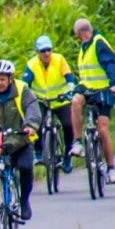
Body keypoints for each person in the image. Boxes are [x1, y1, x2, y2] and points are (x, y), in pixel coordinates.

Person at [0, 60, 42, 219]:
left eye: (2, 79)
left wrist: (30, 125)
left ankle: (24, 200)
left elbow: (32, 109)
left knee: (26, 167)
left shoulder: (22, 90)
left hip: (20, 139)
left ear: (10, 79)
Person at [70, 18, 115, 184]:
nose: (80, 39)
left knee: (102, 130)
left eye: (79, 36)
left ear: (84, 33)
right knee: (75, 102)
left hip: (103, 90)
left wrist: (114, 84)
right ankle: (78, 142)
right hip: (87, 88)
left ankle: (112, 168)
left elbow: (110, 64)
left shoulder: (99, 43)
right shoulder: (84, 46)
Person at [22, 34, 78, 172]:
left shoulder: (59, 59)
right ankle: (39, 151)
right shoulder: (32, 64)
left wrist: (70, 88)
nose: (47, 53)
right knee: (36, 122)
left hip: (60, 100)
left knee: (68, 124)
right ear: (37, 52)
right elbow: (25, 84)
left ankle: (67, 155)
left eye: (49, 50)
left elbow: (69, 77)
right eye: (43, 51)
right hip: (41, 100)